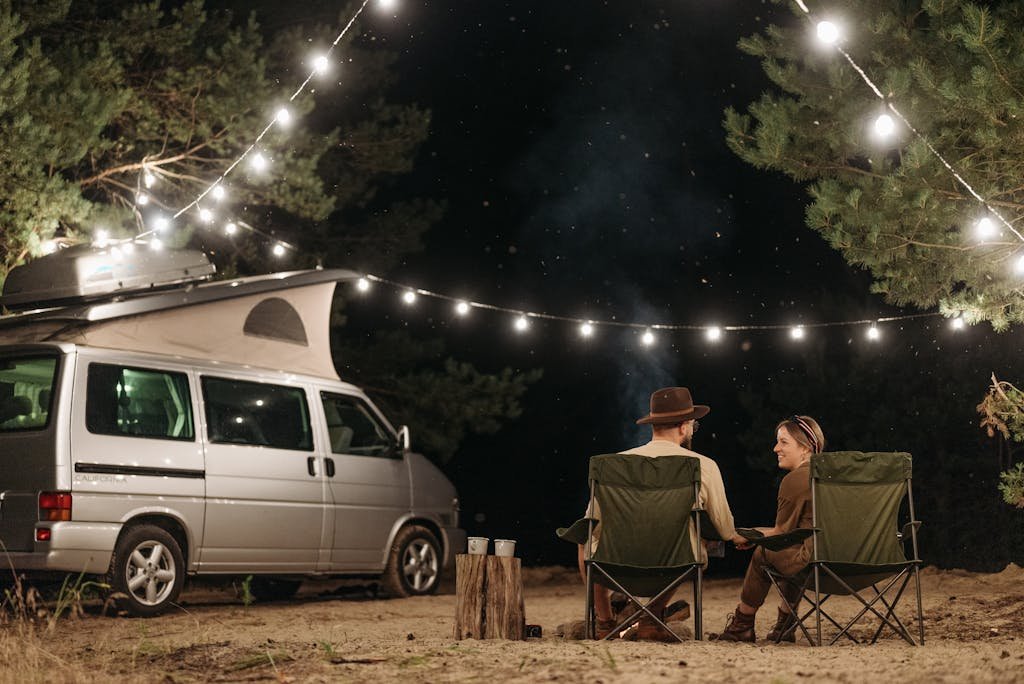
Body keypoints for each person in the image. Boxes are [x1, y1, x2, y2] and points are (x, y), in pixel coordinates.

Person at [578, 386, 746, 641]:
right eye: (693, 425)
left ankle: (604, 623)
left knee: (584, 542)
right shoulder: (703, 466)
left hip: (615, 565)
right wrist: (734, 536)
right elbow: (723, 529)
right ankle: (651, 619)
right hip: (674, 565)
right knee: (699, 536)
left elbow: (592, 523)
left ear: (654, 425)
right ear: (684, 426)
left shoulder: (613, 464)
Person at [712, 414, 826, 643]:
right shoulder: (837, 475)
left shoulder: (796, 479)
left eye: (784, 442)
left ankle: (741, 625)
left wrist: (745, 535)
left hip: (816, 562)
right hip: (850, 562)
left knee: (765, 553)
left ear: (806, 448)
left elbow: (780, 533)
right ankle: (785, 626)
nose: (775, 448)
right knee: (793, 548)